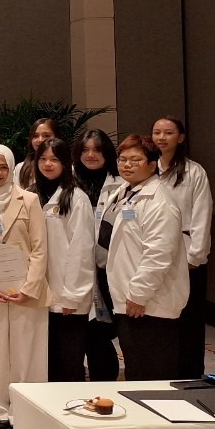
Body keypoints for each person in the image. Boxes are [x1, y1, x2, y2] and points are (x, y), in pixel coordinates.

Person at [0, 144, 49, 428]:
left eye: (3, 166)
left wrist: (29, 287)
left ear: (11, 168)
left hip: (25, 290)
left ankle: (26, 409)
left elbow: (40, 248)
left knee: (27, 352)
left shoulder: (29, 200)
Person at [102, 135, 189, 381]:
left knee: (152, 373)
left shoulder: (160, 202)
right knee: (136, 368)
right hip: (129, 298)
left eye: (135, 160)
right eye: (123, 159)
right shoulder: (124, 191)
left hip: (149, 304)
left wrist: (139, 294)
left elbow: (158, 254)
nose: (127, 165)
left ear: (152, 165)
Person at [153, 116, 214, 378]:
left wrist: (195, 256)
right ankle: (163, 372)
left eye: (168, 132)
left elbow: (202, 215)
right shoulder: (148, 168)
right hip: (155, 254)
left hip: (187, 255)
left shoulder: (194, 172)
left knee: (190, 320)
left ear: (181, 138)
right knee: (160, 317)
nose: (161, 137)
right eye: (157, 132)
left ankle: (191, 374)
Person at [33, 139, 95, 382]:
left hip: (68, 294)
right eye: (43, 159)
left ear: (66, 163)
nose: (47, 164)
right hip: (40, 293)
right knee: (45, 359)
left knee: (68, 360)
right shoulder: (33, 194)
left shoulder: (76, 198)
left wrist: (73, 294)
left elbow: (82, 249)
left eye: (54, 159)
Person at [72, 128, 124, 382]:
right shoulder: (69, 182)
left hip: (109, 267)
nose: (91, 155)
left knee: (104, 331)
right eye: (85, 150)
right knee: (85, 330)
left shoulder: (120, 184)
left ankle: (105, 385)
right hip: (77, 266)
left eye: (97, 150)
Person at [15, 118, 56, 189]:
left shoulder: (68, 168)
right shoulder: (21, 168)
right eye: (35, 136)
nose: (40, 140)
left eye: (46, 135)